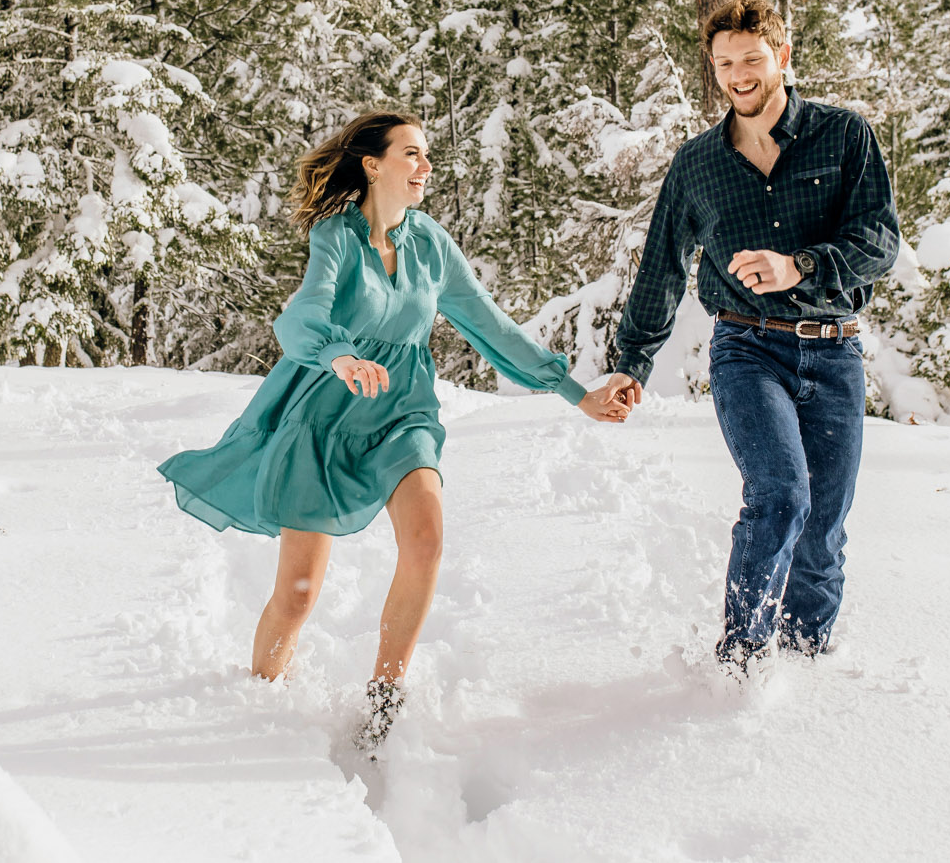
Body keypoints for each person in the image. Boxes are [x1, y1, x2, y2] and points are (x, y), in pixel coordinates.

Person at [159, 112, 629, 746]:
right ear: (373, 165)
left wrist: (577, 394)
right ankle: (260, 703)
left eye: (426, 155)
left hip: (403, 413)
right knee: (297, 597)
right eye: (412, 155)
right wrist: (340, 357)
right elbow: (302, 317)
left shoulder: (430, 245)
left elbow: (491, 327)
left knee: (427, 539)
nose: (425, 168)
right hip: (325, 419)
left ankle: (384, 700)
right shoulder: (336, 237)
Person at [602, 0, 899, 673]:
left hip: (832, 351)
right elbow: (661, 269)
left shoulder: (844, 135)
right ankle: (741, 661)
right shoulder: (697, 165)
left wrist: (800, 265)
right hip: (747, 348)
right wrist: (633, 363)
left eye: (752, 59)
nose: (738, 73)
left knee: (822, 528)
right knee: (780, 493)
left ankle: (808, 657)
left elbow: (879, 241)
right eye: (725, 61)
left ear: (783, 57)